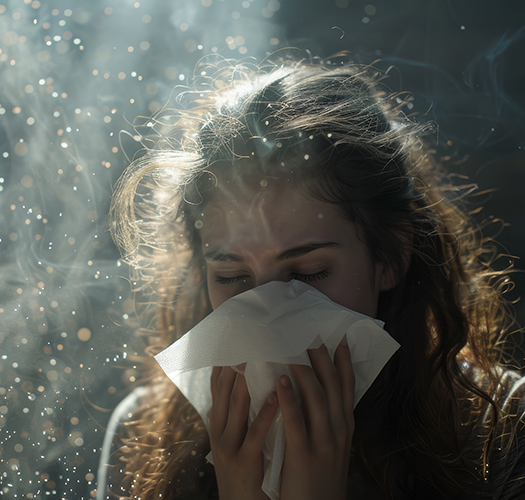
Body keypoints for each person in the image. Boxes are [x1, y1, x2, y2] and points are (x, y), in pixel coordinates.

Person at [98, 53, 525, 500]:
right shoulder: (144, 438)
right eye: (232, 275)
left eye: (308, 272)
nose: (267, 316)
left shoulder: (501, 432)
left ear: (392, 256)